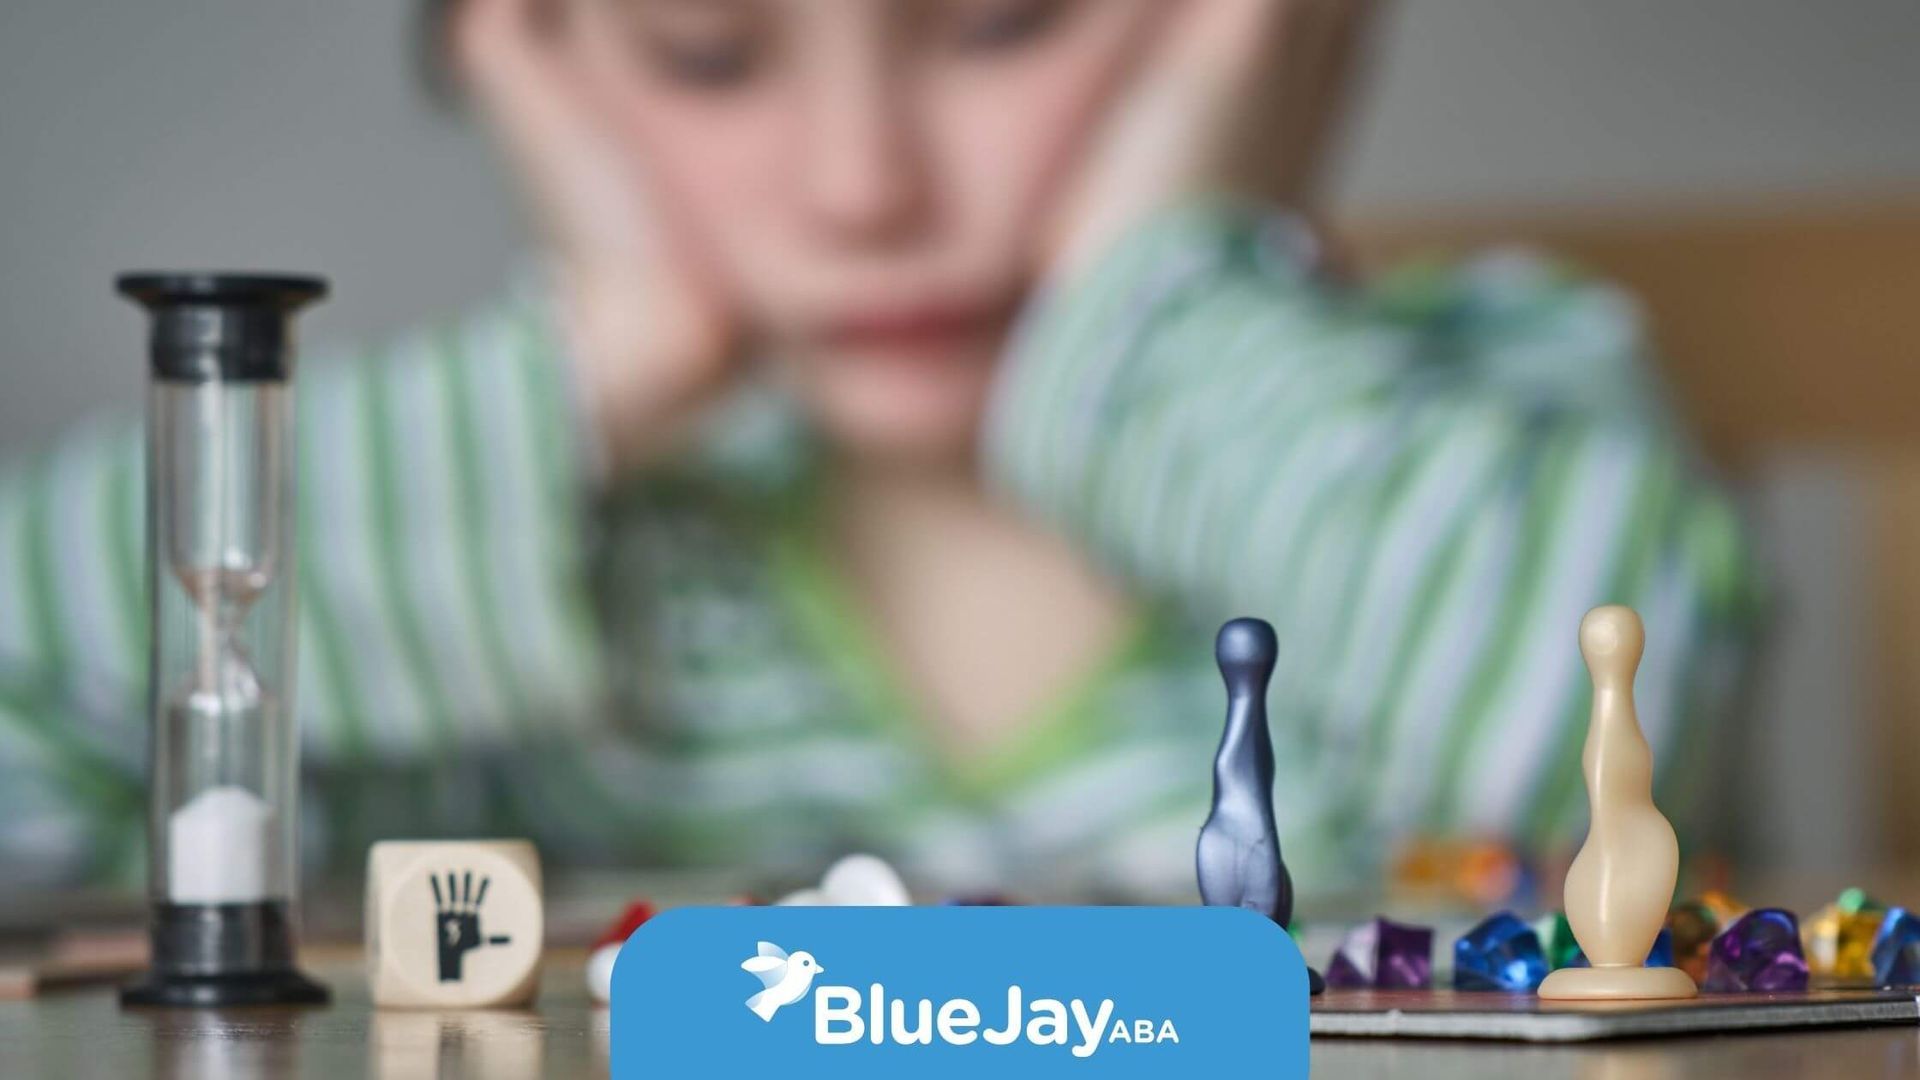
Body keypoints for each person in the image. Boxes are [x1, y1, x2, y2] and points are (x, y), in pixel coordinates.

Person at [0, 0, 1756, 900]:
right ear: (537, 65)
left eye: (1002, 21)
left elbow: (1578, 787)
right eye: (705, 52)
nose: (865, 187)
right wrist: (611, 356)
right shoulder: (512, 547)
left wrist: (1152, 299)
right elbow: (33, 713)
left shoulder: (1494, 402)